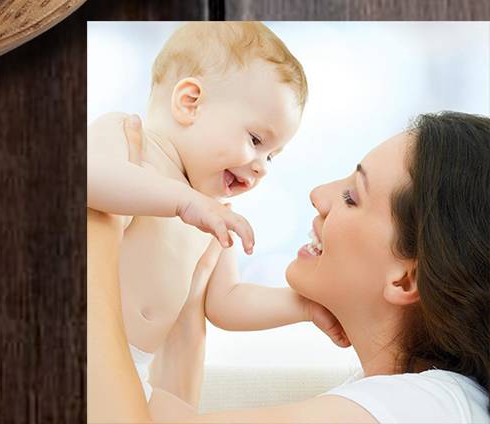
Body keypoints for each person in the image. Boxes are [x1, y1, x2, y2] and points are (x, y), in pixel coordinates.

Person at [88, 111, 490, 423]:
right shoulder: (421, 402)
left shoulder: (426, 409)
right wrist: (188, 304)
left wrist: (97, 223)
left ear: (405, 279)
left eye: (351, 196)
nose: (319, 195)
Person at [88, 23, 349, 409]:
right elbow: (88, 178)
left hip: (134, 372)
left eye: (272, 156)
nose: (262, 167)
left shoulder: (212, 216)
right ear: (189, 103)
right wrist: (184, 202)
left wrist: (305, 306)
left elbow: (226, 302)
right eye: (256, 140)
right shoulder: (131, 143)